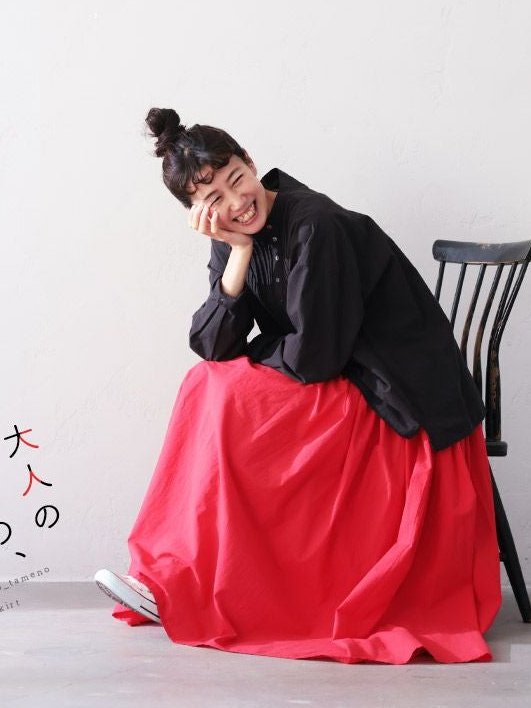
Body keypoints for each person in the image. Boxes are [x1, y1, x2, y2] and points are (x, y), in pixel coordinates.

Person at [94, 107, 502, 665]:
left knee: (222, 396)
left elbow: (316, 356)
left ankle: (195, 581)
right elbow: (212, 344)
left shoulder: (316, 224)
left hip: (397, 390)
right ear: (198, 214)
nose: (237, 201)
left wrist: (253, 358)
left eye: (237, 178)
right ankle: (173, 576)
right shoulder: (233, 234)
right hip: (340, 374)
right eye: (213, 198)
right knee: (206, 385)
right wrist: (238, 252)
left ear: (251, 162)